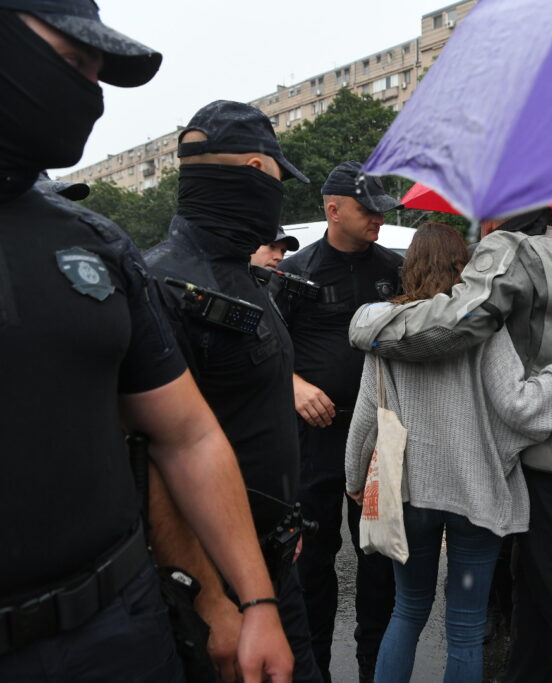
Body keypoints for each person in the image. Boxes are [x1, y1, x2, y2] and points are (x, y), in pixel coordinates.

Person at [0, 4, 292, 681]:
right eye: (72, 63)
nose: (89, 96)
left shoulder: (94, 247)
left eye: (97, 74)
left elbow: (185, 435)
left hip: (118, 630)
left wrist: (254, 601)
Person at [349, 207, 552, 682]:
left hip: (410, 496)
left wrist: (356, 481)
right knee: (464, 626)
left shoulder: (387, 332)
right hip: (476, 499)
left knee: (407, 611)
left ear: (409, 266)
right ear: (468, 266)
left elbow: (364, 422)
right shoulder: (488, 334)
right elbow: (520, 409)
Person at [144, 100, 321, 682]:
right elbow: (156, 456)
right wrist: (212, 602)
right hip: (217, 585)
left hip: (266, 567)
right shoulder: (163, 285)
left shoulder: (242, 277)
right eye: (277, 179)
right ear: (255, 169)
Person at [276, 161, 402, 682]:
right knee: (312, 569)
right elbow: (263, 351)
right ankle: (315, 672)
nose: (377, 217)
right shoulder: (295, 272)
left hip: (377, 439)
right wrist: (295, 385)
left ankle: (375, 671)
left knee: (379, 565)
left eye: (380, 209)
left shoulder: (394, 269)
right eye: (367, 208)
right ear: (333, 210)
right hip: (317, 442)